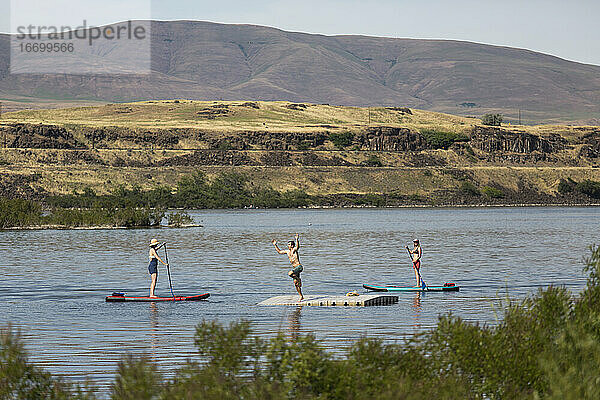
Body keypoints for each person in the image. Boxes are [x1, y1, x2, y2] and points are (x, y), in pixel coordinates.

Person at [272, 233, 304, 301]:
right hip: (295, 268)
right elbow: (280, 252)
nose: (288, 246)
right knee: (295, 284)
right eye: (288, 245)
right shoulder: (287, 251)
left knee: (290, 273)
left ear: (292, 245)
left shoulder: (294, 250)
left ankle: (299, 280)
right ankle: (301, 296)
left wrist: (297, 239)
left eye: (289, 244)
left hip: (299, 267)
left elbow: (298, 247)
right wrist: (275, 245)